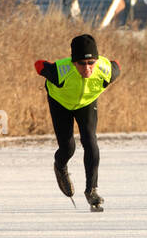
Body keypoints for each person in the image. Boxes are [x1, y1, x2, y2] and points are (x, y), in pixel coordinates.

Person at [34, 33, 119, 210]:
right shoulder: (60, 72)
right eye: (81, 63)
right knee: (68, 148)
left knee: (90, 141)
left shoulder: (106, 71)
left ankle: (92, 190)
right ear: (73, 62)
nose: (87, 68)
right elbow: (39, 65)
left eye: (91, 63)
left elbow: (116, 65)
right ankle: (60, 166)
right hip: (60, 103)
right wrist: (46, 67)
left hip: (86, 103)